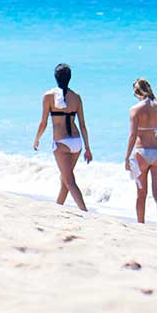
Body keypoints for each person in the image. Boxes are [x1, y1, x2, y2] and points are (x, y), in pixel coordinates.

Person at [30, 63, 92, 211]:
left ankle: (85, 211)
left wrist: (37, 139)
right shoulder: (76, 97)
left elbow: (43, 122)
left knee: (69, 181)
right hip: (77, 142)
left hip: (61, 143)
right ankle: (58, 209)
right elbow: (83, 124)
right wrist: (88, 148)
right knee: (64, 178)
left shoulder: (48, 96)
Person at [124, 78, 157, 225]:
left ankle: (141, 224)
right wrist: (156, 126)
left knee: (141, 194)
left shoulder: (135, 109)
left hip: (141, 153)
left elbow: (132, 135)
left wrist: (126, 157)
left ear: (137, 93)